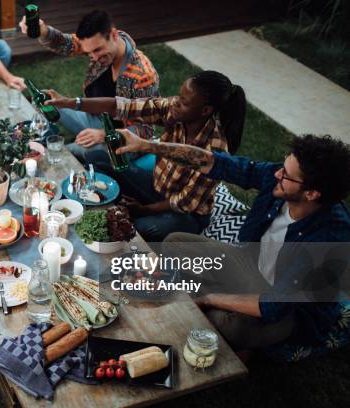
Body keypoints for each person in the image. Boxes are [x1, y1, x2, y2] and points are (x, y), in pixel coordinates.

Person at [117, 131, 350, 360]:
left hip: (289, 310)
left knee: (230, 326)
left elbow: (274, 307)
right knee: (174, 243)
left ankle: (234, 326)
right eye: (282, 166)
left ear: (311, 193)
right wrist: (145, 145)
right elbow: (212, 162)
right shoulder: (277, 178)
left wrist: (209, 299)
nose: (276, 173)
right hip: (250, 267)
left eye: (286, 175)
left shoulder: (330, 237)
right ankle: (218, 300)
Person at [47, 70, 246, 244]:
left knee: (141, 228)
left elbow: (184, 202)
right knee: (98, 159)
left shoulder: (216, 150)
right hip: (156, 186)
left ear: (205, 111)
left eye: (184, 102)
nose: (176, 102)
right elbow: (123, 106)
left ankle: (122, 219)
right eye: (179, 96)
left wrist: (143, 210)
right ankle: (114, 209)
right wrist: (70, 103)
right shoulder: (175, 111)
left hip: (185, 214)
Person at [19, 10, 159, 163]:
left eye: (97, 50)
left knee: (74, 151)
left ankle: (47, 155)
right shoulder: (97, 44)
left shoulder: (143, 74)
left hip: (124, 141)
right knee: (47, 101)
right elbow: (66, 43)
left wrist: (104, 134)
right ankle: (42, 142)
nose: (94, 57)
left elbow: (147, 130)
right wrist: (43, 31)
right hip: (94, 118)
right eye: (89, 52)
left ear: (113, 35)